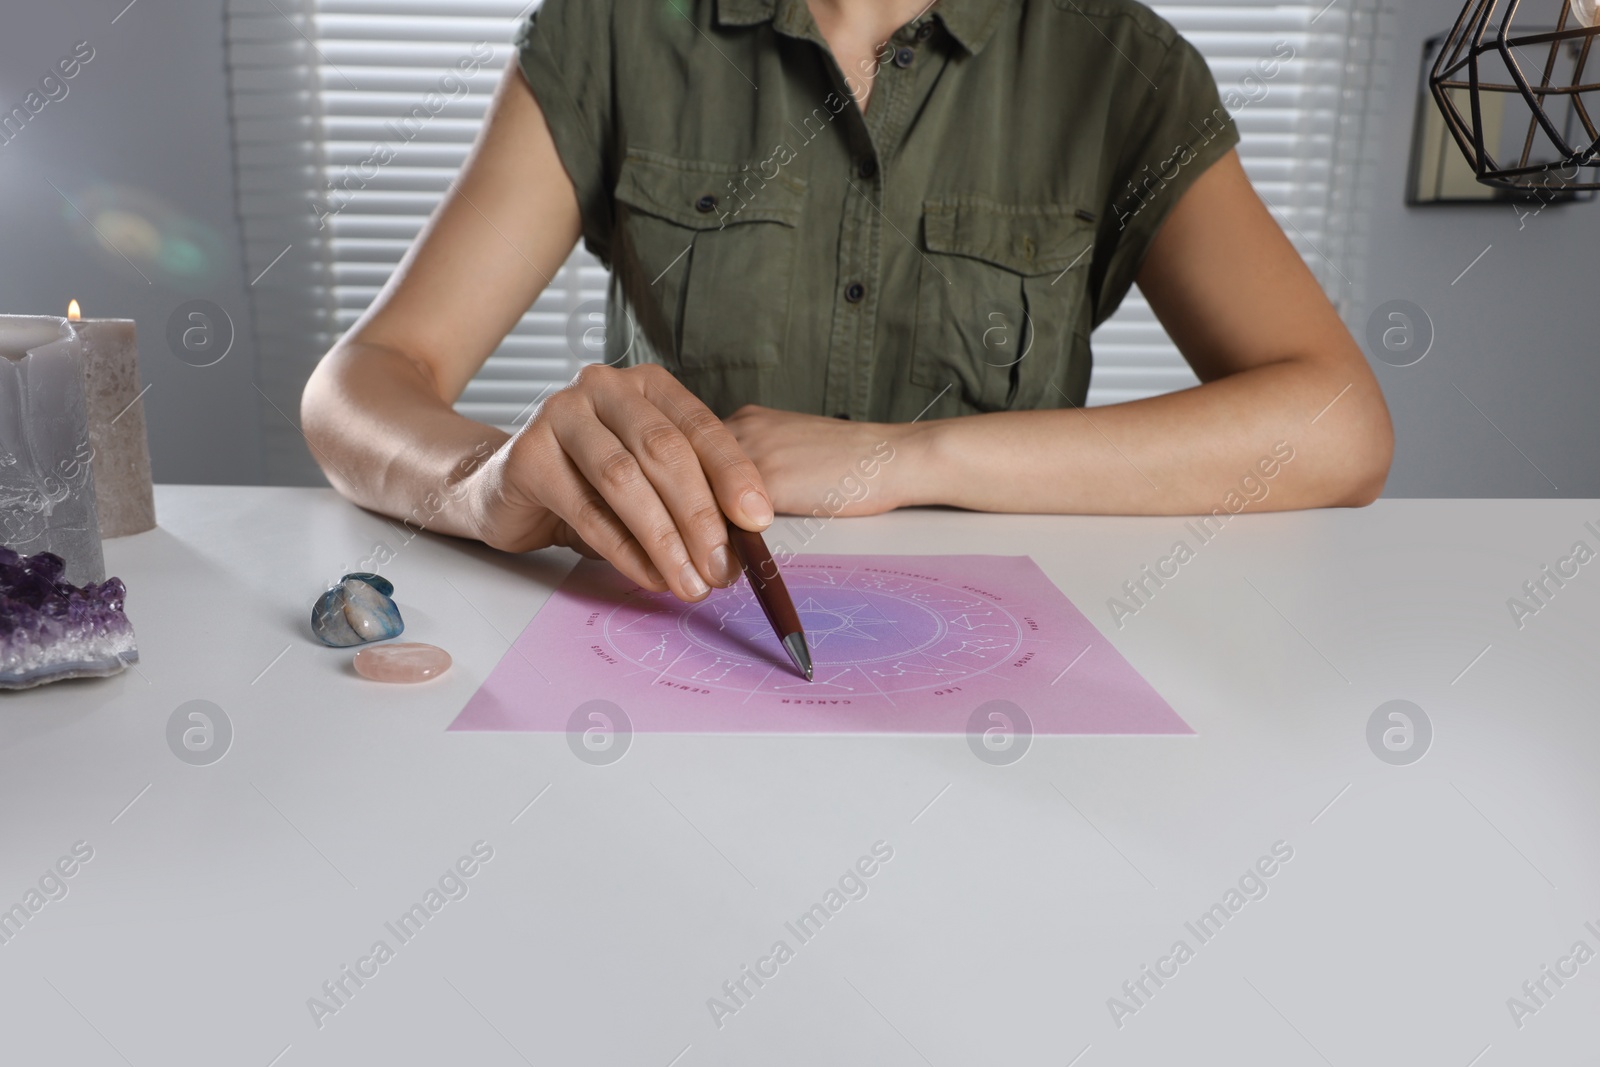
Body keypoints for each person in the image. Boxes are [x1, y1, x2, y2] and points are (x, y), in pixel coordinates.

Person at [302, 0, 1394, 604]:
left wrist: (906, 458)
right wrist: (483, 484)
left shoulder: (1117, 62)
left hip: (1003, 696)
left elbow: (1337, 427)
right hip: (679, 646)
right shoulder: (613, 32)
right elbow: (362, 382)